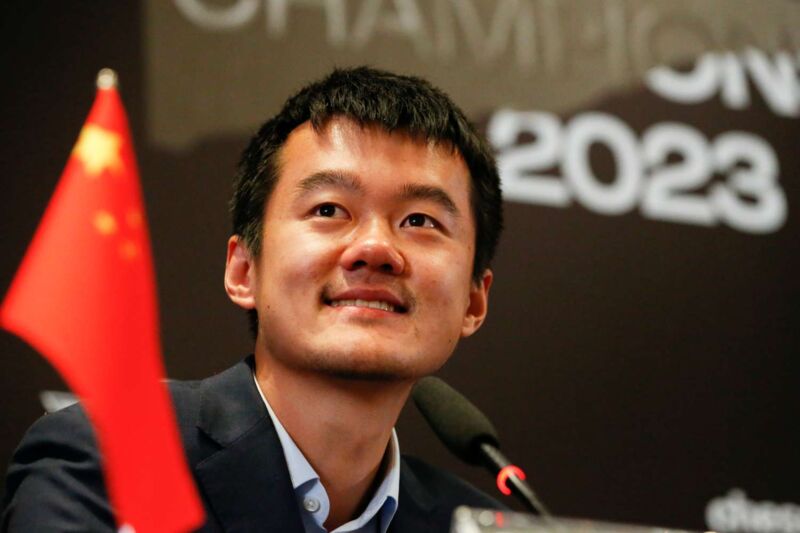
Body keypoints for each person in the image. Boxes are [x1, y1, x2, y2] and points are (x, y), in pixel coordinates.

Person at [2, 66, 504, 532]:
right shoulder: (113, 458)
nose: (374, 248)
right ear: (243, 270)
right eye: (329, 209)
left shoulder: (475, 524)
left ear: (474, 303)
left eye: (420, 221)